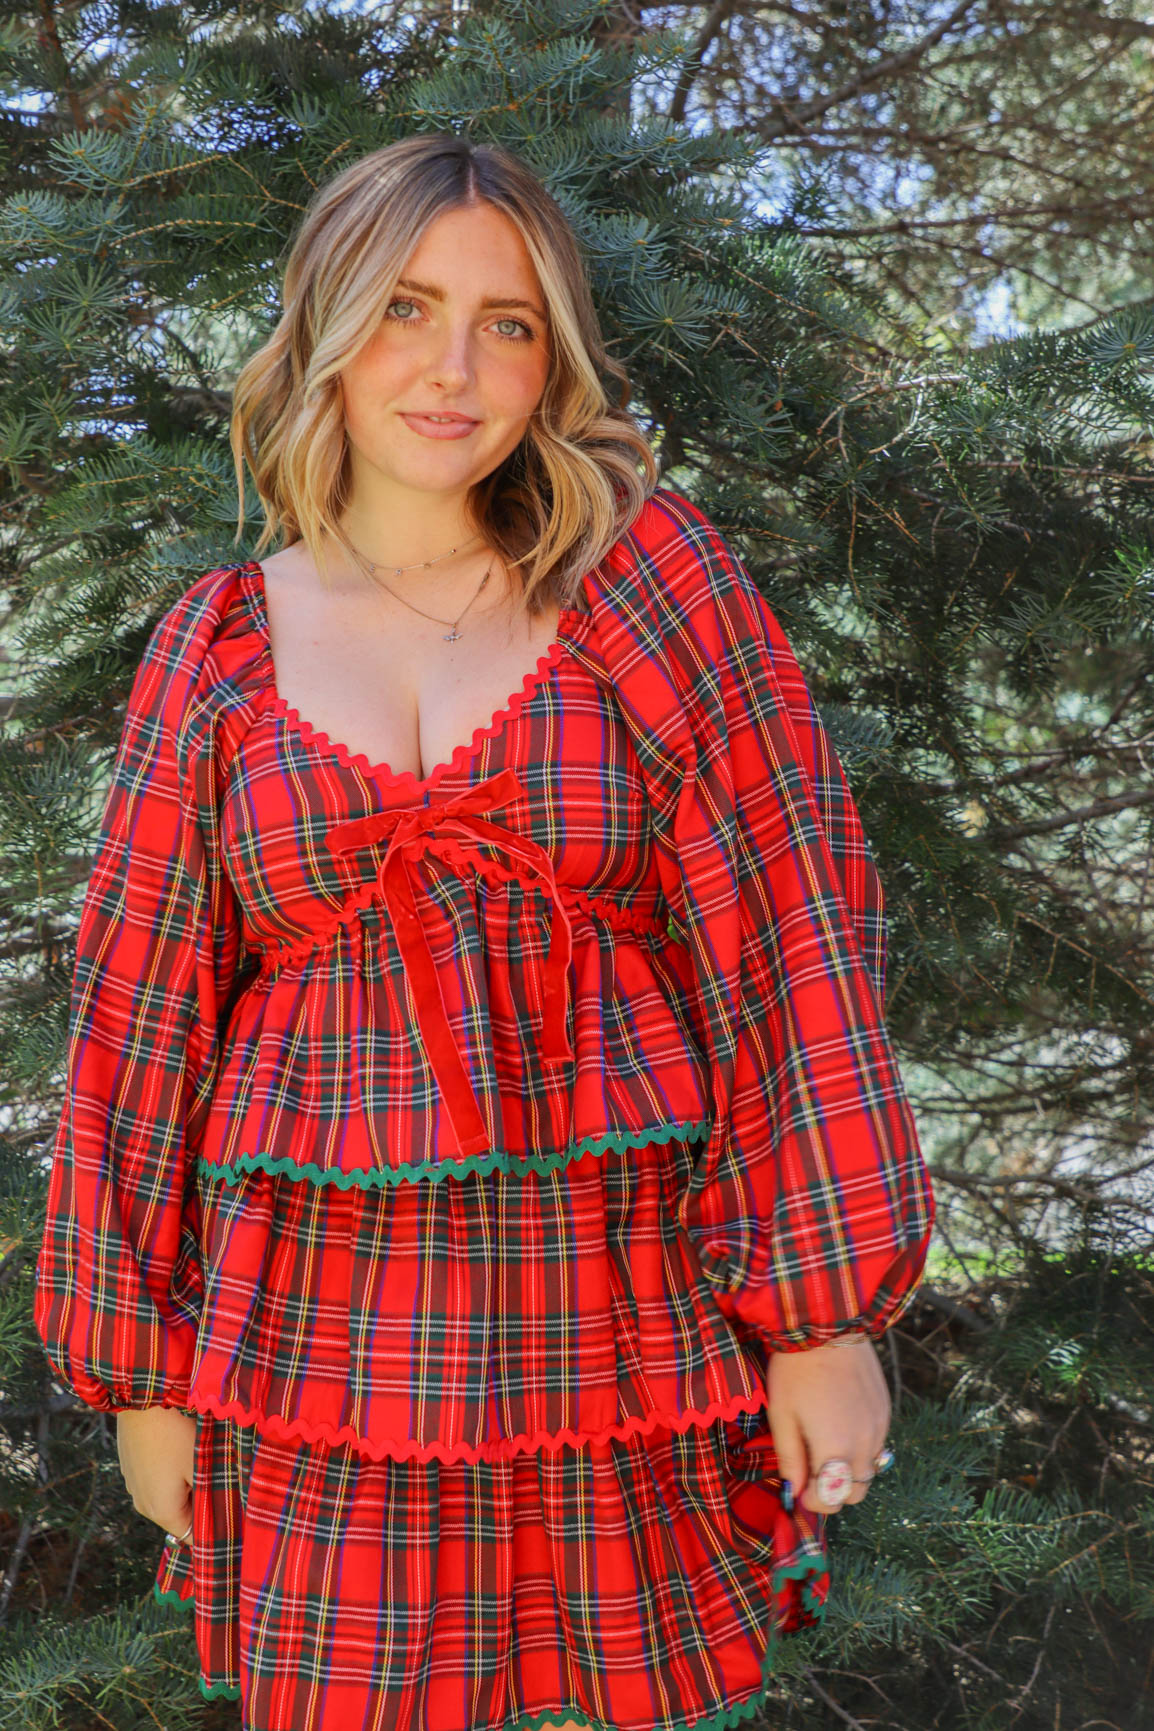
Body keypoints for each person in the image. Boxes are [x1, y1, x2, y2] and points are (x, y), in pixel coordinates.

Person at [34, 132, 936, 1731]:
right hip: (317, 1347)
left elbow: (789, 930)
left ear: (555, 356)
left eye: (507, 323)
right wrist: (141, 1369)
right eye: (404, 308)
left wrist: (823, 1315)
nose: (453, 368)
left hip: (623, 1317)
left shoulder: (644, 582)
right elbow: (139, 1015)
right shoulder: (215, 649)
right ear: (323, 325)